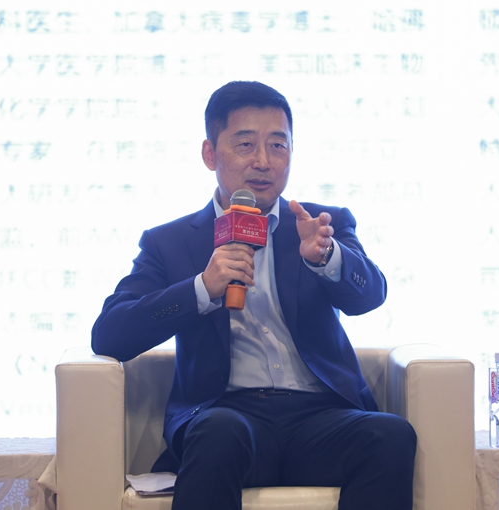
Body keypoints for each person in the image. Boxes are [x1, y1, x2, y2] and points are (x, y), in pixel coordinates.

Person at [92, 80, 417, 510]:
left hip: (320, 418)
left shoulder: (321, 224)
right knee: (220, 431)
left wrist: (326, 257)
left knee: (391, 434)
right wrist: (202, 287)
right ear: (210, 154)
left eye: (278, 145)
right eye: (245, 144)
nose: (263, 161)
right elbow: (110, 335)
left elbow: (370, 296)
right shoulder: (170, 242)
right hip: (227, 417)